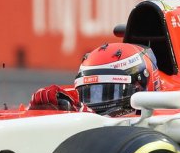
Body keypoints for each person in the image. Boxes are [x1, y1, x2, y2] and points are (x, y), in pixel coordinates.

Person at [28, 42, 161, 116]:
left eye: (111, 91)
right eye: (90, 94)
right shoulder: (69, 101)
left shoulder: (174, 112)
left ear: (141, 85)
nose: (93, 106)